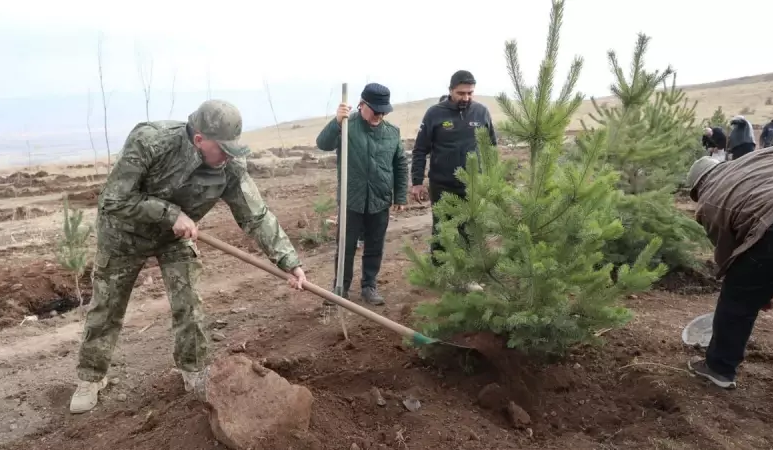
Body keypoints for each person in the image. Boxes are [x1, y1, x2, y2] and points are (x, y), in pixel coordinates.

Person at [69, 100, 308, 413]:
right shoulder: (151, 142)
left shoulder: (230, 165)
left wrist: (289, 262)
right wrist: (170, 213)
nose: (228, 156)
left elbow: (257, 216)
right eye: (222, 149)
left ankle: (193, 371)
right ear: (199, 140)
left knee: (189, 303)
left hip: (175, 238)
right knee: (108, 305)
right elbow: (115, 199)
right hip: (125, 233)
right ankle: (91, 377)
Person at [685, 143, 773, 389]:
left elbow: (731, 257)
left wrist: (755, 288)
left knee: (737, 297)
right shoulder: (757, 157)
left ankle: (719, 368)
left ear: (697, 188)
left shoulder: (710, 199)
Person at [316, 83, 408, 307]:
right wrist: (337, 121)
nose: (379, 115)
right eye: (375, 110)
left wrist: (400, 196)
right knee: (346, 245)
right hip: (352, 198)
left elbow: (401, 165)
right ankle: (341, 288)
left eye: (383, 111)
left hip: (380, 198)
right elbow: (323, 144)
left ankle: (369, 286)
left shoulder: (392, 133)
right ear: (361, 105)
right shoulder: (348, 126)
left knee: (375, 245)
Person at [410, 70, 496, 292]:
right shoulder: (434, 114)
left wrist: (492, 179)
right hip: (442, 183)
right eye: (461, 93)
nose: (466, 98)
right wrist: (417, 181)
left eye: (470, 93)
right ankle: (439, 273)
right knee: (442, 229)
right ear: (450, 90)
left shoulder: (481, 112)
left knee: (470, 229)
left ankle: (467, 276)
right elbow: (420, 150)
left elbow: (491, 148)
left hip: (472, 184)